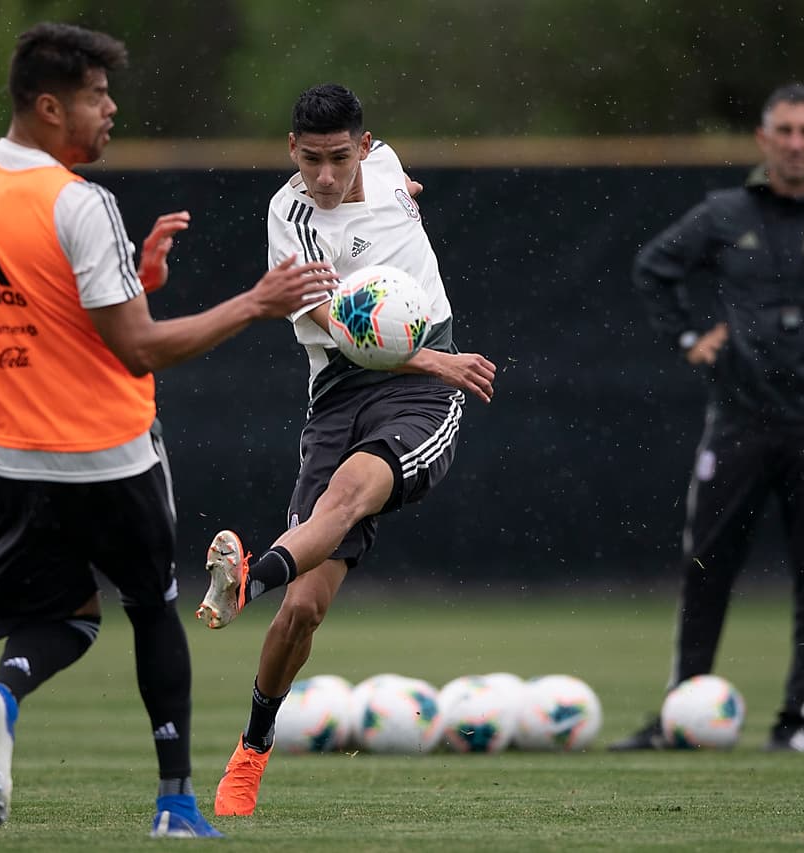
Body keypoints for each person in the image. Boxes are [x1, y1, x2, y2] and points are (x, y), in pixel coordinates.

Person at [0, 22, 335, 836]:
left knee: (67, 617)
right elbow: (140, 346)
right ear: (50, 107)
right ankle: (176, 805)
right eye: (95, 96)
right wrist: (257, 302)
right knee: (153, 607)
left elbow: (28, 295)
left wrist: (134, 277)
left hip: (8, 448)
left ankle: (2, 692)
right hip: (104, 450)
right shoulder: (80, 204)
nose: (111, 109)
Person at [192, 83, 497, 816]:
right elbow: (338, 320)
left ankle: (246, 578)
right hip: (341, 393)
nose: (324, 177)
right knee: (301, 611)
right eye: (309, 160)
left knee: (349, 494)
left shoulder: (387, 166)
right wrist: (434, 357)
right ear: (289, 151)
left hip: (421, 398)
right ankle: (250, 753)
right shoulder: (286, 215)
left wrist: (436, 364)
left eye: (338, 158)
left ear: (364, 146)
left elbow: (394, 180)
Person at [612, 83, 804, 753]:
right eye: (785, 130)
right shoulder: (725, 213)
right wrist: (691, 338)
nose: (796, 143)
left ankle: (795, 723)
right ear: (763, 138)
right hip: (739, 417)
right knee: (706, 566)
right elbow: (653, 266)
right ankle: (680, 716)